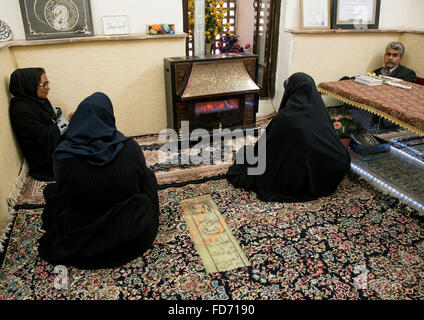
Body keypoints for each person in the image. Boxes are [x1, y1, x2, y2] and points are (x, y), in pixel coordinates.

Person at [38, 92, 160, 269]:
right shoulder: (129, 147)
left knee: (51, 192)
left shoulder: (63, 157)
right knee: (148, 176)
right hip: (128, 229)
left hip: (83, 229)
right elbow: (140, 179)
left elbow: (65, 192)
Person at [227, 72, 351, 202]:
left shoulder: (285, 118)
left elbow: (266, 146)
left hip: (294, 177)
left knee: (249, 155)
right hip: (330, 172)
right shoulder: (321, 112)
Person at [9, 68, 70, 181]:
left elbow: (53, 117)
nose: (48, 88)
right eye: (44, 84)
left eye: (48, 83)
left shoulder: (38, 101)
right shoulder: (21, 111)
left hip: (55, 144)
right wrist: (66, 122)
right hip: (46, 163)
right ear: (30, 85)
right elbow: (44, 139)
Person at [350, 42, 416, 131]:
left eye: (395, 55)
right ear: (385, 56)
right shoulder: (376, 72)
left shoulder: (407, 74)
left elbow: (404, 97)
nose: (390, 58)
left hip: (391, 110)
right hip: (372, 105)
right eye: (388, 54)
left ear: (401, 58)